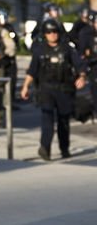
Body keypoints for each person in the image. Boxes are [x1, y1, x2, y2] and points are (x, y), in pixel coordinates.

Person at [20, 17, 87, 160]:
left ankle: (64, 148)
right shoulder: (39, 50)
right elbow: (32, 70)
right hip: (46, 89)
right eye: (49, 32)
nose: (52, 34)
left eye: (55, 31)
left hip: (64, 89)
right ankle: (45, 148)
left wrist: (82, 77)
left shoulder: (67, 49)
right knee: (47, 119)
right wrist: (25, 86)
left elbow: (80, 66)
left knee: (63, 121)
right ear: (44, 33)